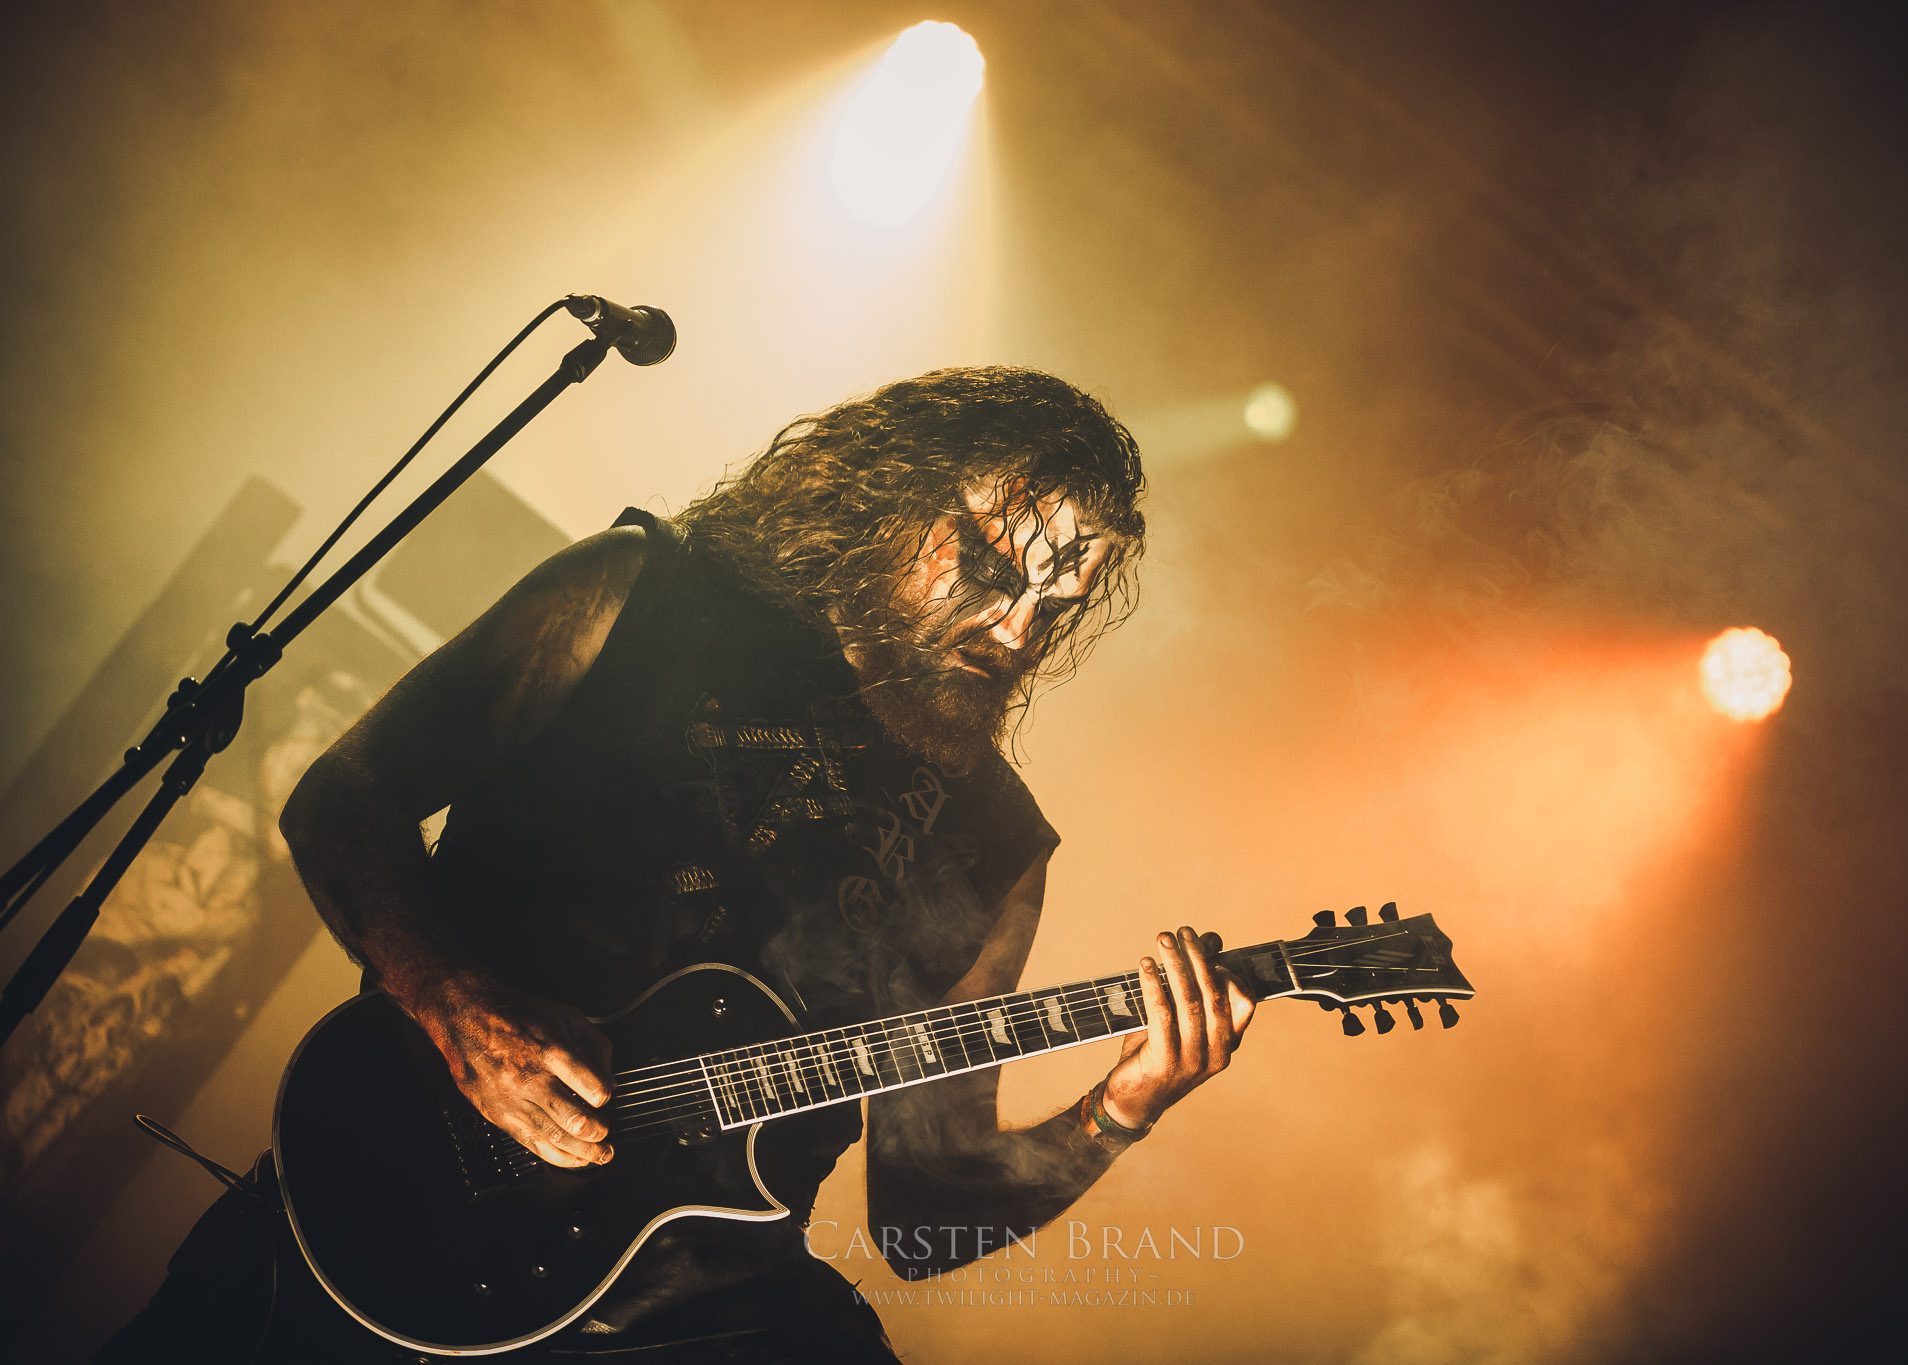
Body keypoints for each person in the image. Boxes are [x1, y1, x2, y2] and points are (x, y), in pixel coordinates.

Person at [102, 365, 1255, 1363]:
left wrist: (1121, 1106)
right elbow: (345, 797)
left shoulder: (993, 843)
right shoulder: (640, 595)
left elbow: (922, 1216)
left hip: (698, 1321)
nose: (1017, 630)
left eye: (1058, 603)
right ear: (897, 494)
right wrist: (452, 1004)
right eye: (997, 570)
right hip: (391, 1219)